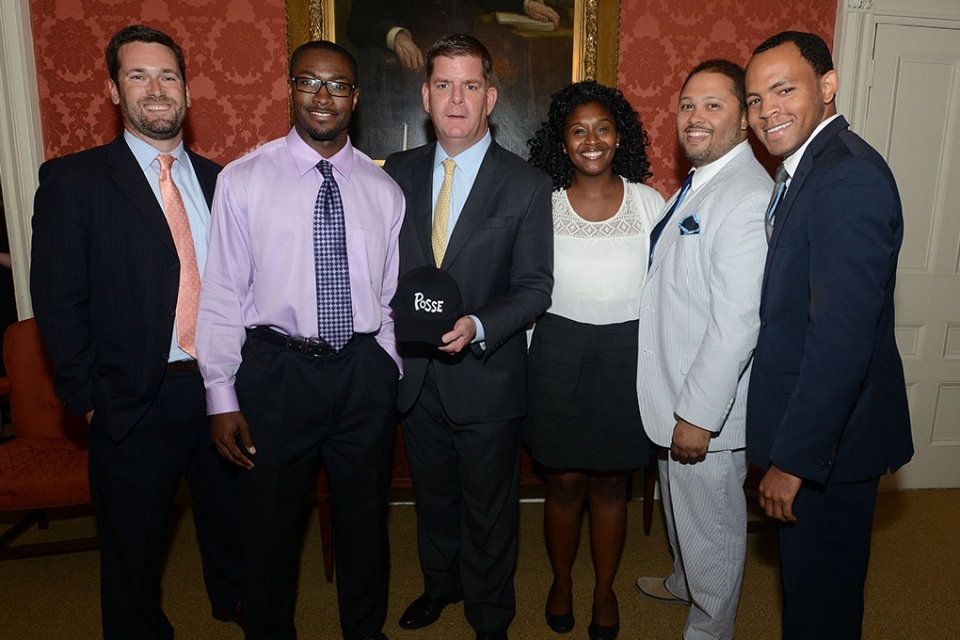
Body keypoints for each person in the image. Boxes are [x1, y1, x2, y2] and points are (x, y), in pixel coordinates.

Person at [30, 24, 241, 640]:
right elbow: (58, 301)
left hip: (220, 389)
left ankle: (231, 597)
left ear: (187, 93)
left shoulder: (222, 181)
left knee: (231, 516)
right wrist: (88, 399)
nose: (156, 89)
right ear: (114, 92)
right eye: (138, 75)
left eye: (168, 75)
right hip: (131, 399)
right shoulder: (74, 181)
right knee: (133, 548)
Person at [195, 40, 404, 640]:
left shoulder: (382, 189)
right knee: (270, 524)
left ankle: (364, 630)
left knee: (365, 520)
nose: (323, 95)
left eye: (337, 85)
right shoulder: (242, 180)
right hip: (277, 371)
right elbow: (223, 294)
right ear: (290, 89)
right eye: (309, 81)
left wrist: (386, 368)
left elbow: (387, 296)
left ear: (355, 98)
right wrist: (221, 395)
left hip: (361, 374)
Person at [383, 33, 553, 640]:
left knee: (489, 508)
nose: (457, 99)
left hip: (487, 377)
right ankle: (440, 586)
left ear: (491, 97)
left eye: (471, 86)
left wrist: (479, 325)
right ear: (426, 95)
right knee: (432, 498)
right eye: (444, 85)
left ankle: (490, 615)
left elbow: (535, 287)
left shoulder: (528, 185)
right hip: (416, 377)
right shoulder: (392, 175)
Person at [743, 31, 913, 639]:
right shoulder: (809, 169)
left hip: (831, 447)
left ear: (828, 86)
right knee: (810, 591)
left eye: (783, 90)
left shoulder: (847, 178)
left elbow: (841, 340)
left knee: (822, 607)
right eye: (756, 99)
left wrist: (795, 459)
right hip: (822, 434)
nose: (768, 111)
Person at [633, 60, 772, 640]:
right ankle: (684, 581)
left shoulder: (744, 197)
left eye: (714, 105)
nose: (695, 116)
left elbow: (737, 324)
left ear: (744, 121)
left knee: (712, 528)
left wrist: (696, 417)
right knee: (681, 511)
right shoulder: (700, 182)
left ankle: (710, 627)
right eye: (688, 103)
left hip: (703, 409)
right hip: (673, 390)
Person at [525, 80, 663, 640]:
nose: (591, 139)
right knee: (561, 484)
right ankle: (562, 582)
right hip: (555, 350)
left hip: (626, 353)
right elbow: (527, 287)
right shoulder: (542, 203)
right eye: (578, 130)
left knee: (610, 485)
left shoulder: (649, 202)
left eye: (603, 128)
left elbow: (662, 289)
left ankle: (604, 591)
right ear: (562, 142)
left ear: (619, 135)